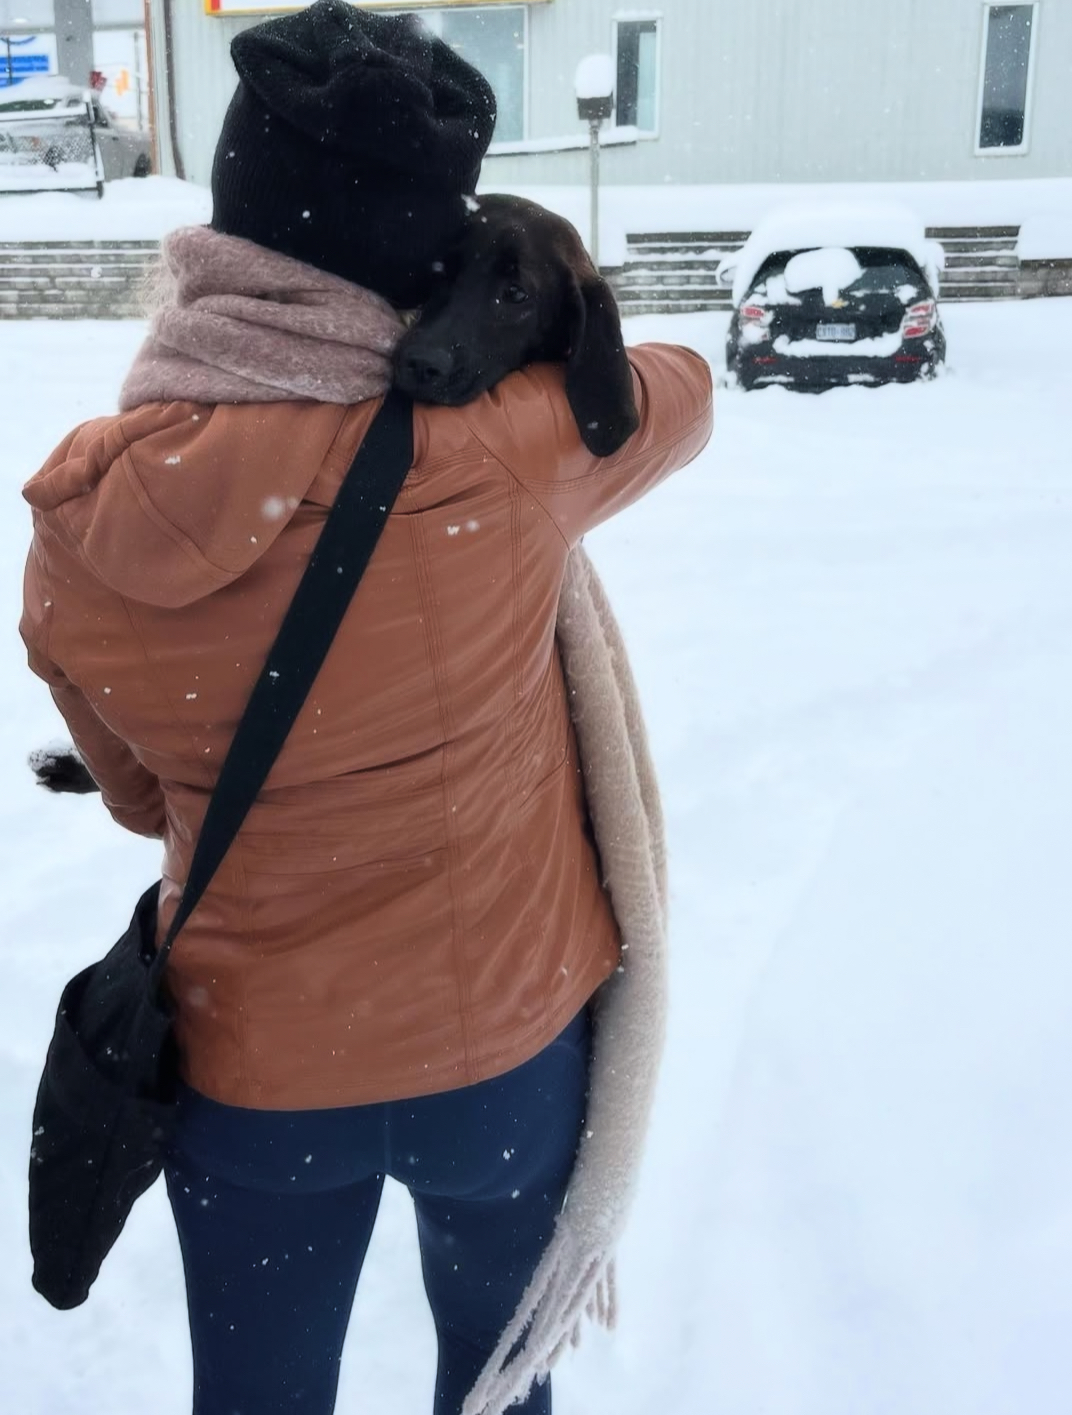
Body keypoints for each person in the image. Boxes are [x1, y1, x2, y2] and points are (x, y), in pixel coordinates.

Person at [19, 4, 713, 1413]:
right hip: (501, 1062)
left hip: (256, 1072)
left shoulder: (83, 516)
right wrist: (537, 294)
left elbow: (147, 800)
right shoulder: (506, 449)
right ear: (423, 242)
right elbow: (684, 396)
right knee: (495, 1383)